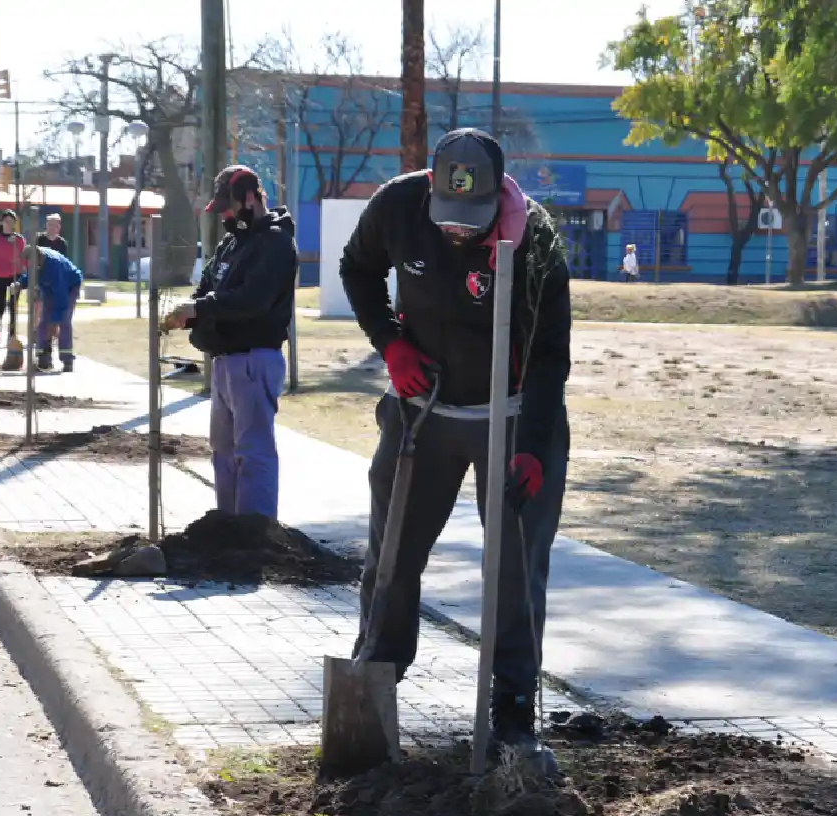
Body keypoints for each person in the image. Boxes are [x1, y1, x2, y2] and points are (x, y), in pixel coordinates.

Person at [339, 128, 572, 766]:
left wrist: (532, 445)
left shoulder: (538, 242)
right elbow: (355, 269)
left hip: (514, 418)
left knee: (516, 571)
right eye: (449, 218)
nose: (459, 232)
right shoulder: (397, 207)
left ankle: (514, 714)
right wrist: (390, 343)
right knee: (391, 558)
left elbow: (552, 355)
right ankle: (373, 690)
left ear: (500, 195)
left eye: (473, 222)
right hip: (422, 417)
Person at [162, 165, 298, 521]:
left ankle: (255, 531)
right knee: (223, 450)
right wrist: (188, 312)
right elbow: (207, 288)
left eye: (228, 205)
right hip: (223, 360)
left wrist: (200, 308)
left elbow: (252, 300)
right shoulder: (230, 244)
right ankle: (227, 526)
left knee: (252, 451)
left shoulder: (276, 244)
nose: (223, 213)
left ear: (250, 198)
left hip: (254, 359)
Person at [12, 245, 83, 372]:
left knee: (63, 321)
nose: (29, 264)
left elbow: (61, 297)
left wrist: (54, 322)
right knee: (44, 322)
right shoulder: (35, 261)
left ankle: (67, 360)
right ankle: (43, 358)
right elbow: (30, 276)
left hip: (69, 286)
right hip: (50, 287)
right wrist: (19, 283)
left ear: (38, 258)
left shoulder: (55, 266)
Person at [0, 210, 27, 344]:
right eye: (6, 221)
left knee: (13, 306)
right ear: (1, 222)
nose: (9, 224)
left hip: (14, 276)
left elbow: (23, 258)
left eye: (11, 222)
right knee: (0, 306)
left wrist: (22, 265)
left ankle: (11, 334)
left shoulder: (19, 239)